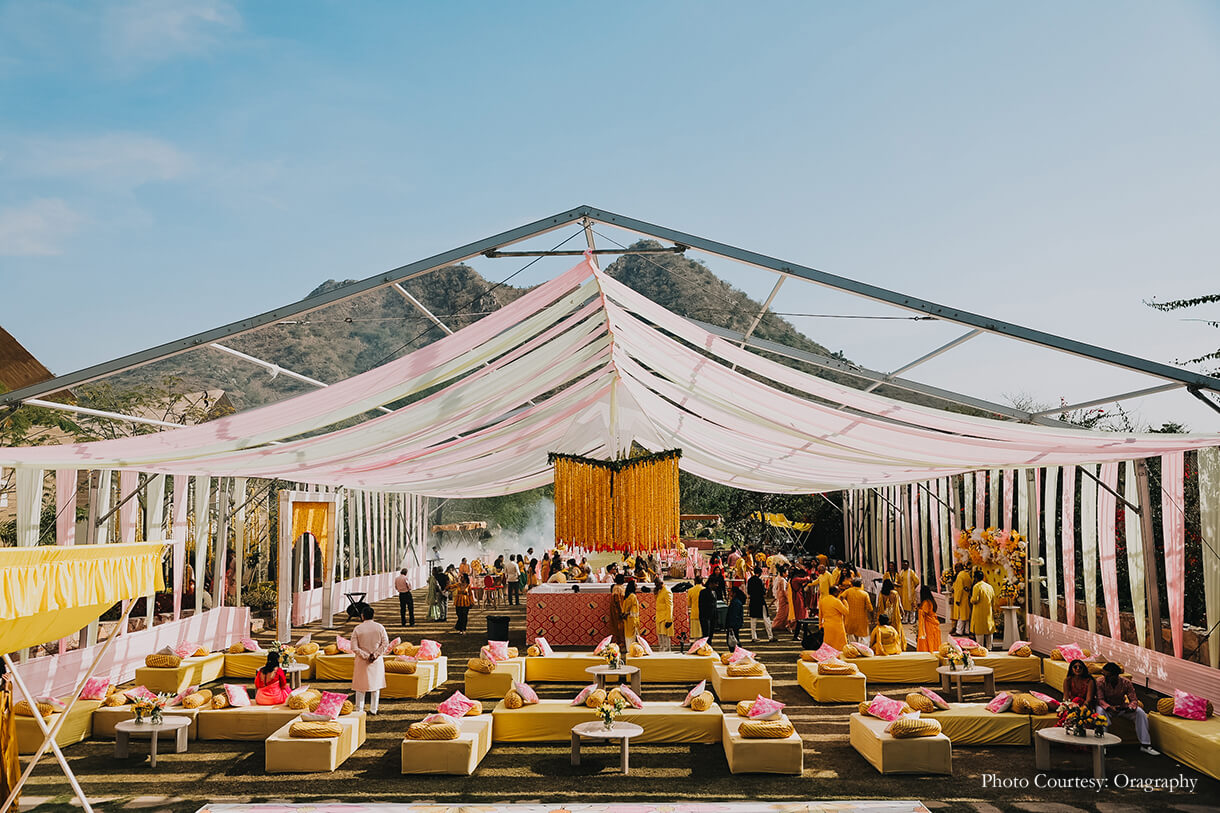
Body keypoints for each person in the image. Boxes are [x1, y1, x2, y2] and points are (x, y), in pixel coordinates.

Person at [1095, 662, 1159, 754]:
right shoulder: (1099, 682)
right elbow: (1100, 699)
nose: (1105, 677)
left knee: (1140, 712)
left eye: (1108, 676)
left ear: (1116, 675)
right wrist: (1109, 707)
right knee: (1100, 711)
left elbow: (1133, 699)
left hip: (1121, 707)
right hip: (1106, 708)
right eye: (1104, 675)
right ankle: (1103, 745)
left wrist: (1130, 707)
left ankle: (1145, 744)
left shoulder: (1126, 683)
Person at [351, 604, 388, 714]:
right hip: (376, 661)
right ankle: (374, 709)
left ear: (362, 616)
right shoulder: (380, 627)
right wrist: (375, 655)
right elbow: (385, 643)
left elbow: (354, 647)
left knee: (360, 687)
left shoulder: (358, 629)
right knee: (375, 686)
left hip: (362, 661)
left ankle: (359, 709)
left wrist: (365, 655)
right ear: (373, 615)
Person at [969, 570, 996, 649]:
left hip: (979, 613)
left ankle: (980, 648)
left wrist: (970, 599)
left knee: (979, 632)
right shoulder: (989, 586)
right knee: (989, 631)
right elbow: (993, 600)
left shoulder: (976, 587)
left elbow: (975, 600)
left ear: (976, 578)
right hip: (988, 612)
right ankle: (989, 648)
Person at [842, 577, 874, 644]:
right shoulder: (864, 594)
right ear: (860, 584)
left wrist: (845, 606)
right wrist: (872, 618)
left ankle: (853, 648)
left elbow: (841, 598)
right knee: (862, 638)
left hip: (850, 618)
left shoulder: (848, 591)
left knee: (850, 637)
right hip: (861, 619)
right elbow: (870, 608)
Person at [746, 566, 773, 641]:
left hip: (753, 601)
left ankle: (753, 637)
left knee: (753, 620)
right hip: (760, 601)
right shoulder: (760, 581)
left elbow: (748, 591)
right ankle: (770, 636)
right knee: (766, 619)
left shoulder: (750, 580)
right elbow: (763, 592)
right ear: (760, 573)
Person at [818, 585, 849, 650]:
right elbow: (846, 612)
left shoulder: (823, 600)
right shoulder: (836, 601)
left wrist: (820, 624)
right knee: (840, 645)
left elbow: (820, 614)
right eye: (838, 592)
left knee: (828, 645)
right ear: (835, 593)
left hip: (827, 626)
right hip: (837, 626)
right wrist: (845, 602)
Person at [916, 585, 942, 653]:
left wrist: (919, 609)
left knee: (929, 640)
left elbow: (923, 612)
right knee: (934, 640)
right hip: (934, 623)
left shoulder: (926, 602)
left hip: (929, 624)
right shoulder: (931, 601)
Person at [952, 564, 973, 635]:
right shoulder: (967, 574)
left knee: (961, 615)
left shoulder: (960, 576)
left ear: (960, 568)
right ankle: (967, 630)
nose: (955, 570)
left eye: (956, 568)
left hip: (961, 598)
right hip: (966, 597)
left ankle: (959, 631)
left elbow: (959, 589)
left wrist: (958, 599)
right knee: (966, 615)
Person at [654, 576, 674, 651]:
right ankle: (661, 652)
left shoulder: (667, 591)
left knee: (665, 637)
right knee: (660, 637)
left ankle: (666, 653)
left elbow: (670, 606)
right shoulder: (660, 590)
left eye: (657, 585)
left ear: (662, 583)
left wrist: (669, 620)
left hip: (665, 618)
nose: (656, 586)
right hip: (659, 617)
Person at [771, 564, 792, 633]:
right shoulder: (782, 580)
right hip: (783, 597)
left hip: (782, 596)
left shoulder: (781, 579)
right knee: (782, 613)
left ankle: (782, 625)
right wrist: (786, 598)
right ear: (783, 573)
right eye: (787, 572)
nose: (788, 573)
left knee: (784, 613)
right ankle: (776, 625)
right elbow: (783, 590)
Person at [698, 574, 719, 641]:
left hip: (713, 617)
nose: (717, 585)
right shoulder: (703, 592)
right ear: (710, 584)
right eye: (715, 584)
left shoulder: (714, 592)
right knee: (706, 635)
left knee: (711, 635)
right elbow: (701, 606)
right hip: (705, 617)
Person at [726, 586, 746, 651]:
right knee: (735, 639)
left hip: (734, 624)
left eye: (730, 592)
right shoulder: (736, 601)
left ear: (734, 593)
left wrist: (731, 625)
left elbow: (733, 615)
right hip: (736, 624)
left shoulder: (735, 602)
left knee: (733, 641)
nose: (729, 593)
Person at [610, 574, 627, 648]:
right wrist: (620, 611)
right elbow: (617, 600)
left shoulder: (621, 587)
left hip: (622, 609)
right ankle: (620, 642)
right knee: (619, 626)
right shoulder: (617, 588)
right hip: (618, 610)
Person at [622, 579, 640, 646]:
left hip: (628, 618)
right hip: (632, 619)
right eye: (635, 585)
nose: (636, 586)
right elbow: (628, 607)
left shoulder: (627, 596)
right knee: (632, 635)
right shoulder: (632, 596)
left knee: (628, 634)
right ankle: (632, 648)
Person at [687, 575, 705, 639]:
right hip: (704, 614)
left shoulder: (690, 590)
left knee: (696, 634)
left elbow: (688, 604)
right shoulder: (705, 589)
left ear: (695, 581)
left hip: (694, 613)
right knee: (703, 633)